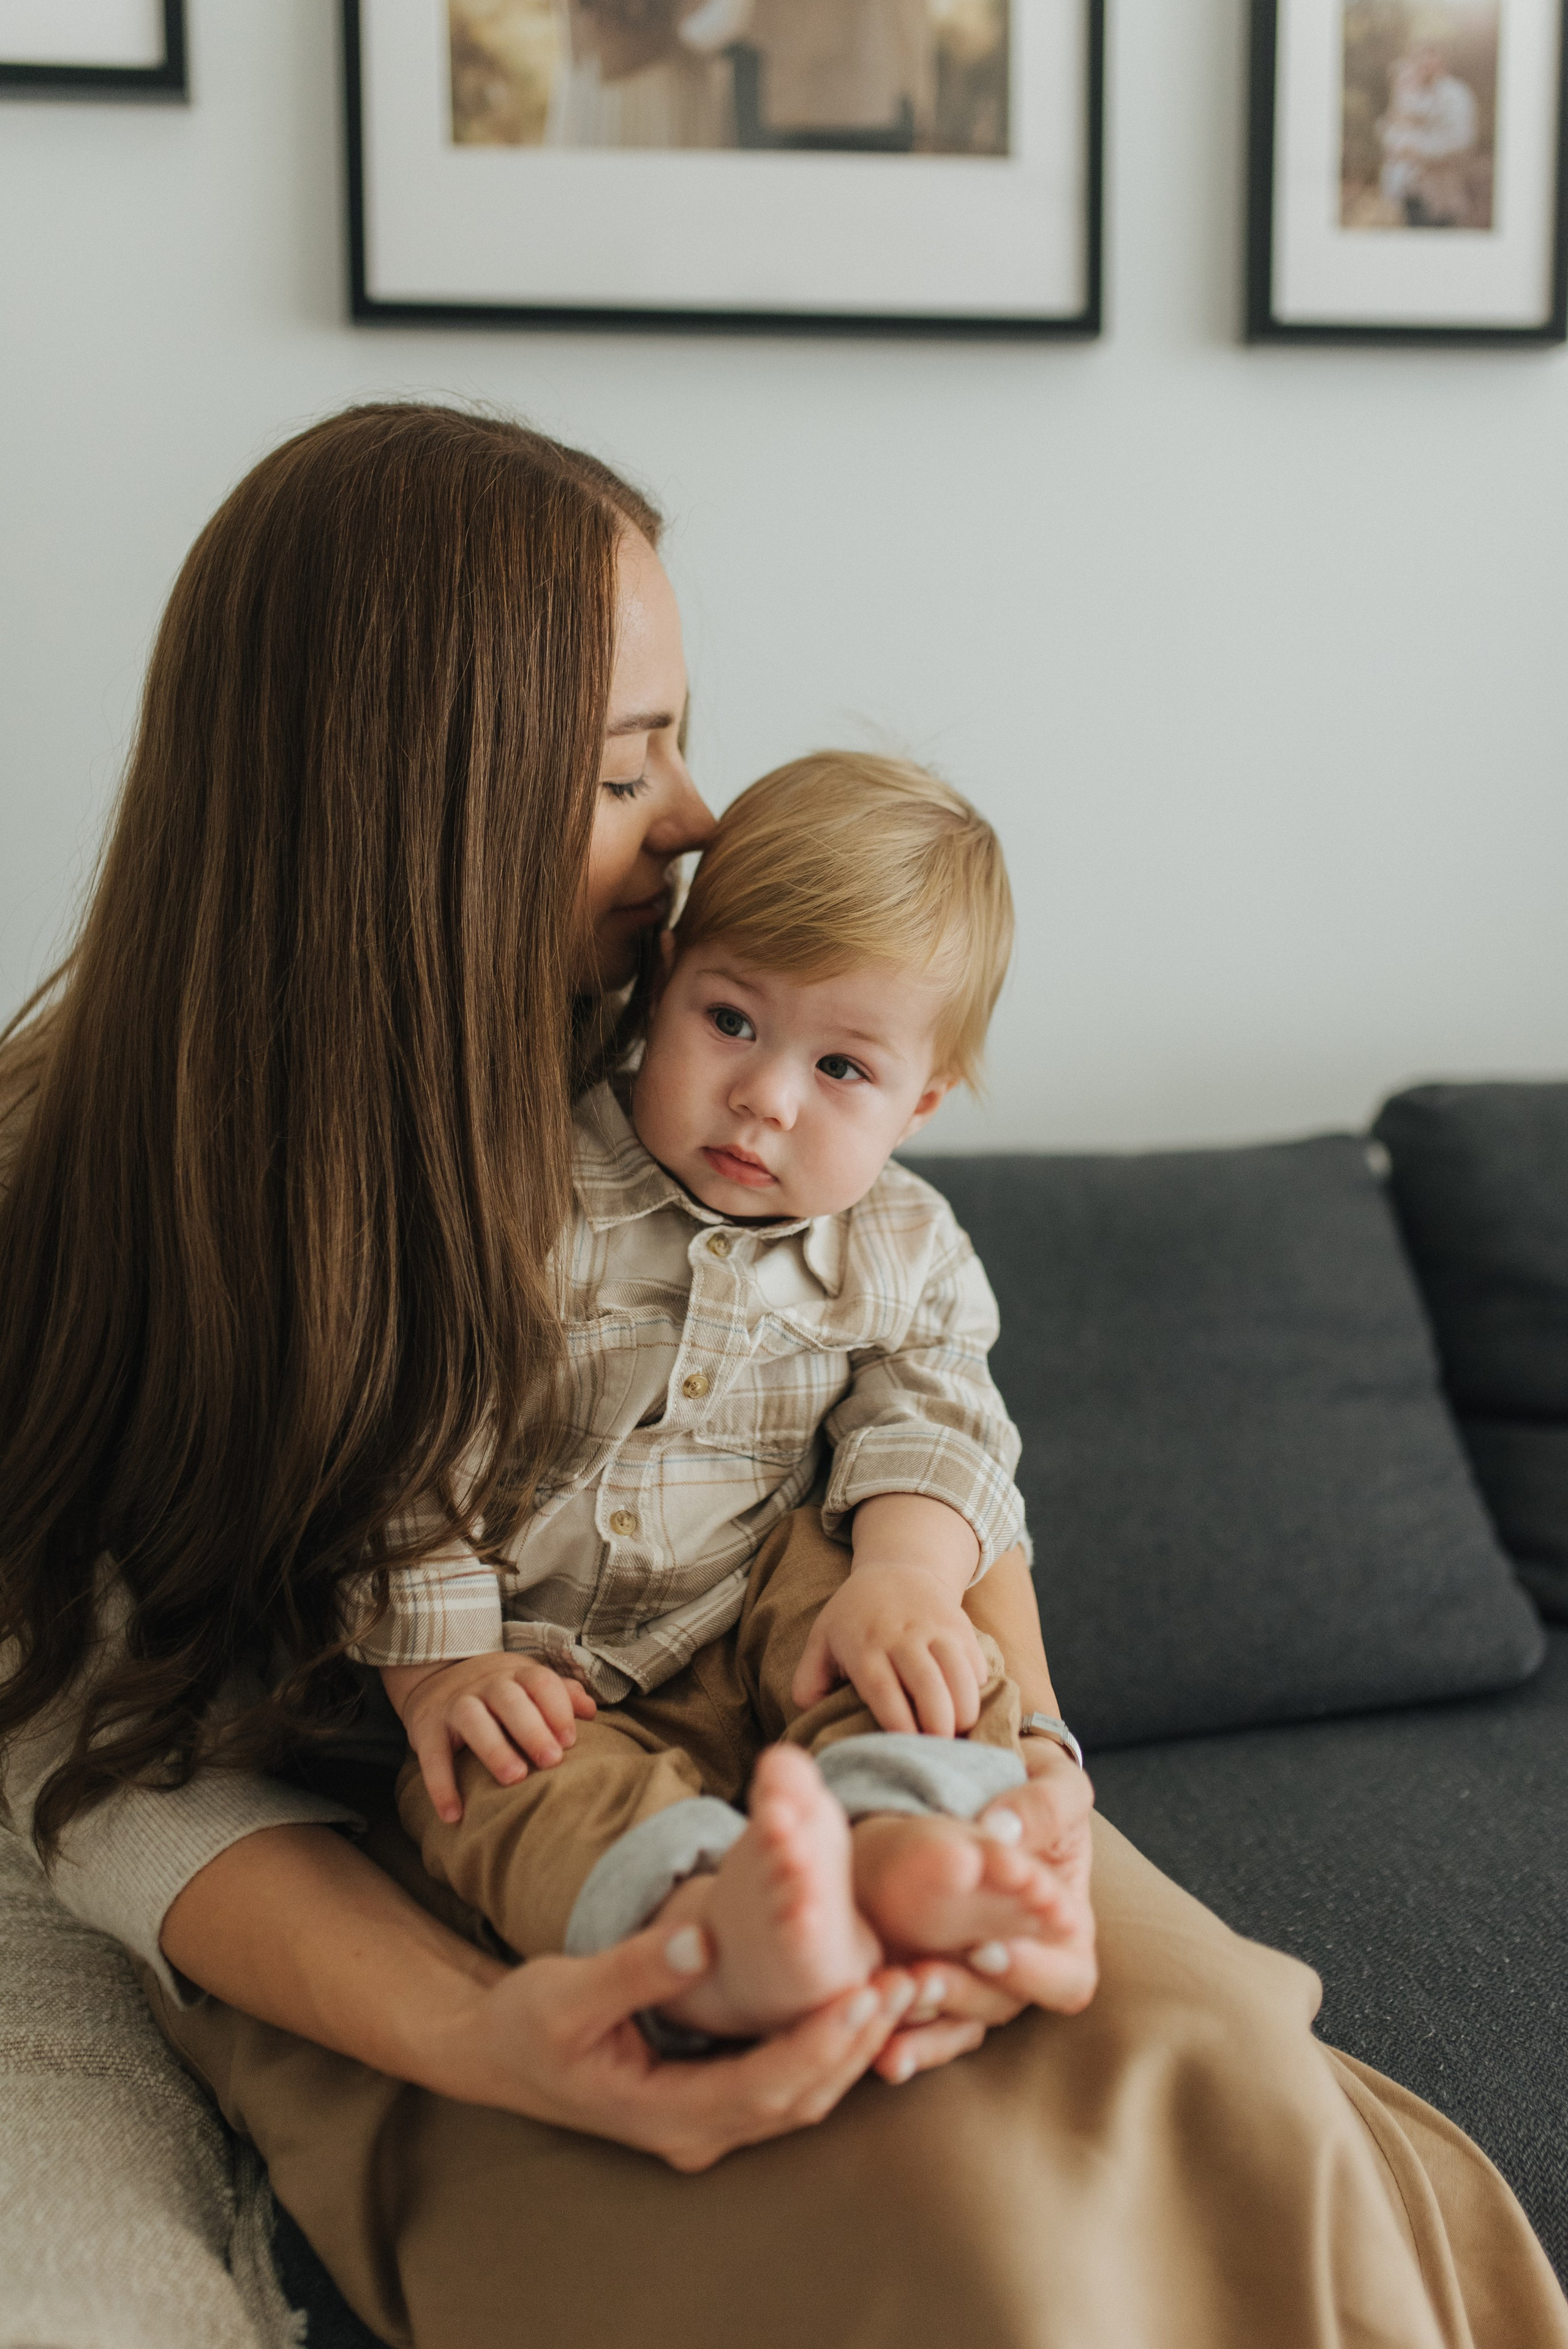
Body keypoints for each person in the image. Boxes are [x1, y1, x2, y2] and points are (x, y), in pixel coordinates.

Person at [2, 402, 1565, 2349]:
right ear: (409, 811)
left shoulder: (677, 1077)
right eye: (620, 764)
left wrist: (1037, 1774)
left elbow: (911, 1432)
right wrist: (504, 2041)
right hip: (441, 1853)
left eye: (679, 732)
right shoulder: (78, 1196)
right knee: (935, 2213)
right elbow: (91, 1768)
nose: (695, 817)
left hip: (842, 1746)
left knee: (1204, 2063)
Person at [370, 752, 1088, 2046]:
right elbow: (405, 1429)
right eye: (732, 1022)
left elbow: (942, 1422)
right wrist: (438, 1668)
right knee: (490, 1781)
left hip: (753, 1619)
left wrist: (905, 1576)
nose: (763, 1097)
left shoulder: (904, 1248)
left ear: (917, 1103)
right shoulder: (523, 1187)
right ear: (664, 984)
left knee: (884, 1605)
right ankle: (715, 1927)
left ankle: (914, 1837)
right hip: (531, 1659)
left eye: (842, 1071)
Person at [1378, 43, 1483, 228]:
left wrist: (1414, 151)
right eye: (1419, 59)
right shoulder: (1420, 92)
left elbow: (1459, 142)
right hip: (1413, 194)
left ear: (1441, 60)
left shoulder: (1456, 94)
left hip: (1440, 198)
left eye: (1429, 57)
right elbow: (1393, 128)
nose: (1423, 64)